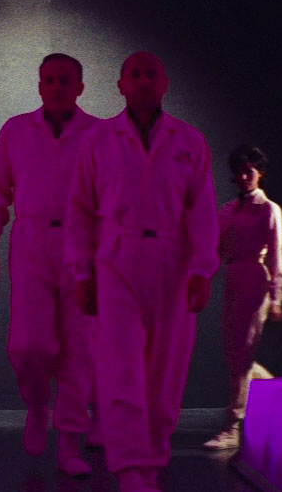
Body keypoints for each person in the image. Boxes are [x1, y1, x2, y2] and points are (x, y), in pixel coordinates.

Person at [66, 52, 217, 492]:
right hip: (117, 260)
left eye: (152, 74)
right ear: (121, 85)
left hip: (174, 261)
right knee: (122, 367)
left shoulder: (189, 141)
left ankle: (154, 455)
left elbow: (202, 210)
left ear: (165, 83)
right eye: (135, 74)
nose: (144, 81)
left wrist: (202, 269)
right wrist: (82, 274)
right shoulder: (99, 140)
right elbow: (80, 209)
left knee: (166, 368)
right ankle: (131, 467)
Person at [0, 53, 103, 476]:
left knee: (78, 347)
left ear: (80, 87)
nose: (56, 87)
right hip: (31, 241)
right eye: (48, 80)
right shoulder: (16, 130)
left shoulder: (99, 134)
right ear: (39, 85)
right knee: (28, 344)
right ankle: (36, 406)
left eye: (64, 80)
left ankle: (69, 441)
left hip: (83, 244)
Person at [203, 145, 282, 451]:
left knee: (242, 353)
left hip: (255, 280)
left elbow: (276, 255)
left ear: (259, 173)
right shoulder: (228, 210)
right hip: (234, 277)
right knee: (234, 352)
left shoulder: (269, 209)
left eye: (249, 171)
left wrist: (276, 298)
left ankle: (232, 425)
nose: (244, 177)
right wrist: (200, 279)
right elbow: (215, 249)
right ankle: (276, 395)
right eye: (239, 172)